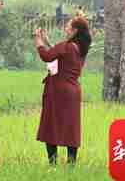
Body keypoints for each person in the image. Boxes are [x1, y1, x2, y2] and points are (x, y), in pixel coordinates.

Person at [34, 13, 92, 165]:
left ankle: (52, 163)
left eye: (68, 27)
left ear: (74, 31)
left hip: (58, 91)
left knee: (51, 125)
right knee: (70, 127)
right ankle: (71, 164)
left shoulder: (66, 46)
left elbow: (47, 56)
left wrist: (39, 42)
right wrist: (47, 41)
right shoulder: (80, 49)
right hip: (73, 92)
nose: (66, 28)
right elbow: (61, 55)